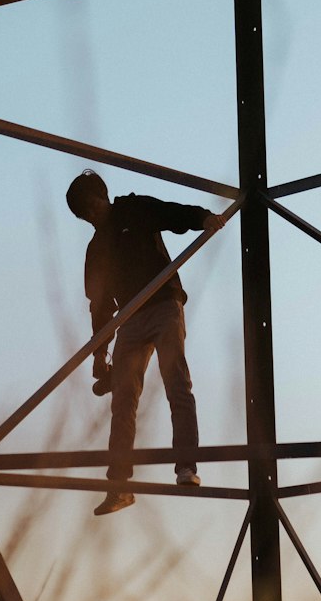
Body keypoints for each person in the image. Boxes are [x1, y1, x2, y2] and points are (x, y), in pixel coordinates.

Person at [66, 169, 227, 517]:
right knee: (123, 401)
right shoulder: (97, 248)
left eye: (90, 208)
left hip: (164, 305)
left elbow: (172, 213)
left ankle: (186, 466)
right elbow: (99, 305)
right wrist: (100, 352)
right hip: (130, 319)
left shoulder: (135, 209)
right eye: (83, 216)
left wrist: (203, 219)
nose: (90, 218)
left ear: (102, 197)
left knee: (177, 385)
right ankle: (120, 486)